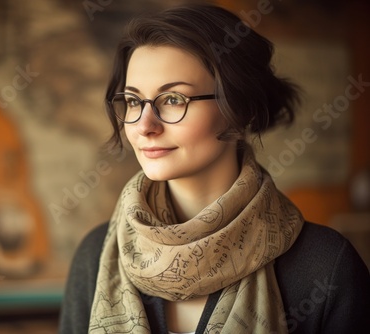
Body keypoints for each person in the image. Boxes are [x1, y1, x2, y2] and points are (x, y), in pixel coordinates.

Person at [59, 4, 370, 334]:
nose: (145, 126)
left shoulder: (324, 268)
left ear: (238, 107)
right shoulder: (95, 257)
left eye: (174, 99)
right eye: (134, 101)